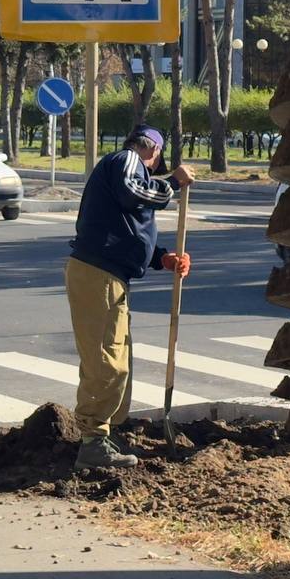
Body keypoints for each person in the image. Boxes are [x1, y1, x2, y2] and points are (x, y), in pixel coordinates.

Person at [66, 124, 194, 469]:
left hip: (109, 275)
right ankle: (93, 442)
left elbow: (125, 226)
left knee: (119, 359)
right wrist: (174, 183)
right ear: (152, 149)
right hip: (99, 274)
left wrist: (161, 258)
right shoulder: (126, 160)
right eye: (157, 160)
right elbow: (132, 191)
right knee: (106, 362)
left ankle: (106, 434)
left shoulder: (130, 170)